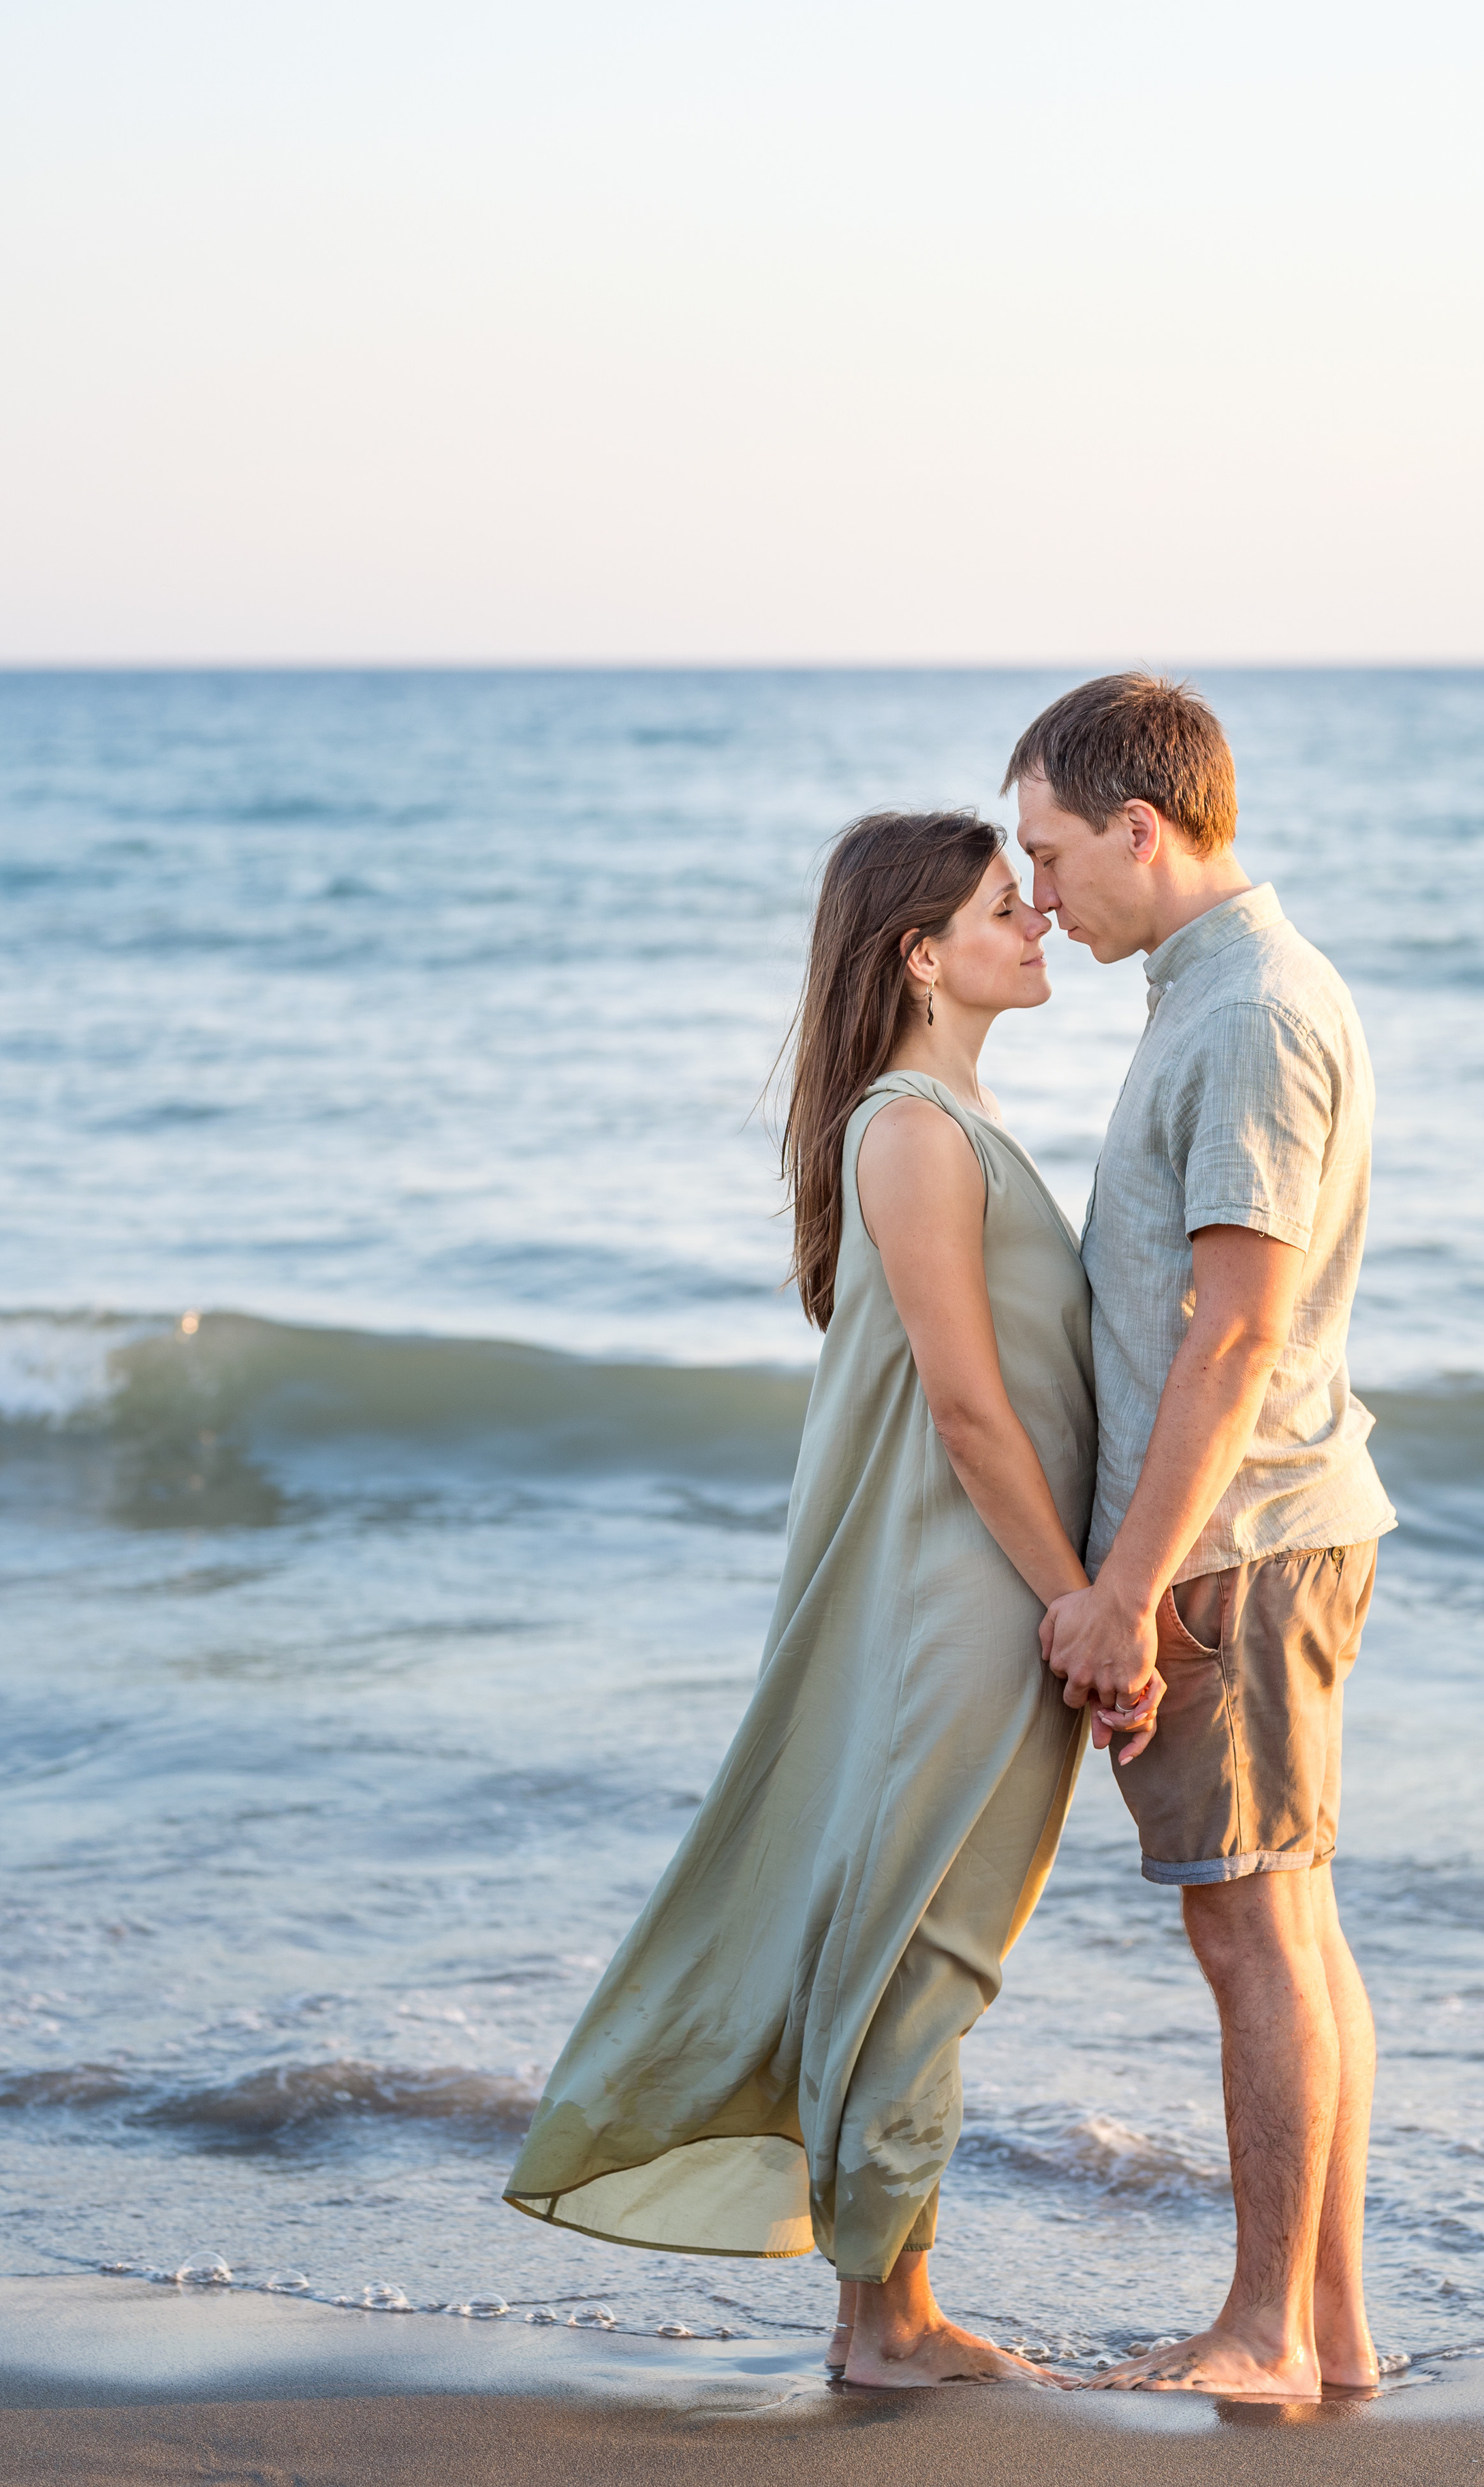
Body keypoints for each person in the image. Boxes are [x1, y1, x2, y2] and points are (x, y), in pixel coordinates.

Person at [503, 809, 1160, 2388]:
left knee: (920, 1931)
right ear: (919, 955)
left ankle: (882, 2304)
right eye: (1008, 905)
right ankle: (889, 2322)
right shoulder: (912, 1127)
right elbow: (965, 1408)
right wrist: (1082, 1600)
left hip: (985, 1588)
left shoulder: (950, 1114)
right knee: (927, 1936)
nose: (1040, 922)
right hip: (963, 1595)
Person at [1006, 674, 1397, 2400]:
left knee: (1250, 1928)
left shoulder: (1241, 1012)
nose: (1035, 893)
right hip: (1255, 1530)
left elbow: (1230, 1331)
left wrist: (1122, 1588)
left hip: (1232, 1545)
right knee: (1286, 1920)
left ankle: (1265, 2331)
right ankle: (1327, 2330)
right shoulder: (1214, 991)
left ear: (1138, 831)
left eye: (1048, 849)